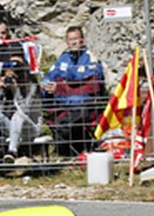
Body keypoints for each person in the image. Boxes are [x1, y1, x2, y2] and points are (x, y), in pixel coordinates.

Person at [40, 26, 105, 157]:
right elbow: (51, 75)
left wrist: (60, 87)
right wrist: (45, 84)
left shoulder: (90, 59)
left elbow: (89, 86)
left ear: (83, 40)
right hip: (63, 104)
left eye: (76, 39)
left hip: (85, 106)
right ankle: (63, 152)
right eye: (70, 40)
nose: (73, 42)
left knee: (66, 120)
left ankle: (66, 152)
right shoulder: (63, 58)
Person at [0, 56, 43, 163]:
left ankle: (12, 151)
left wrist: (16, 91)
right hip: (12, 127)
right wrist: (1, 91)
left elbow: (24, 110)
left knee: (18, 115)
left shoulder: (32, 86)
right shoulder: (6, 84)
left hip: (30, 127)